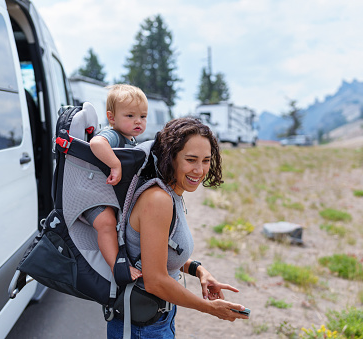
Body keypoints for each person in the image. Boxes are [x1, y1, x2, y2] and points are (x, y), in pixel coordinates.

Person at [107, 117, 248, 338]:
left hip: (156, 319)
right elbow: (154, 281)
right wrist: (210, 308)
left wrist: (199, 270)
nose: (199, 170)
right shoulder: (158, 200)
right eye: (191, 159)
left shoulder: (172, 194)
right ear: (170, 157)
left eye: (206, 160)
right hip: (140, 327)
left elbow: (157, 253)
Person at [84, 84, 147, 282]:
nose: (138, 121)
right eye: (130, 116)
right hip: (92, 197)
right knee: (107, 223)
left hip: (110, 197)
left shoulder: (132, 140)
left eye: (143, 116)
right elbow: (96, 143)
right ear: (112, 118)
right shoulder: (113, 135)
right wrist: (115, 164)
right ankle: (117, 267)